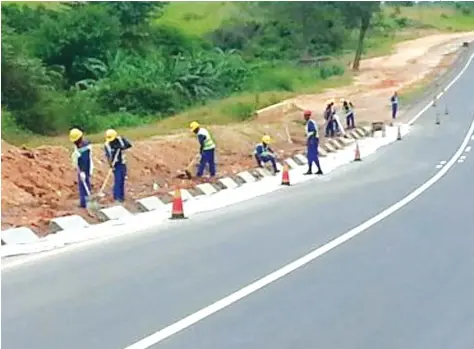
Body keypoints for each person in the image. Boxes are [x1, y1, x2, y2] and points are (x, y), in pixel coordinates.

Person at [104, 129, 132, 203]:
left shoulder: (120, 140)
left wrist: (122, 146)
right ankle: (116, 197)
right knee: (118, 180)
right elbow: (108, 156)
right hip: (115, 164)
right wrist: (111, 165)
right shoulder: (107, 145)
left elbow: (129, 145)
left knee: (122, 179)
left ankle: (121, 197)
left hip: (122, 162)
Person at [69, 128, 93, 208]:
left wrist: (82, 171)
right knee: (84, 183)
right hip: (82, 167)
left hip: (84, 168)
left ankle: (86, 203)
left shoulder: (84, 148)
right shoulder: (80, 145)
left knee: (84, 183)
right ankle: (85, 202)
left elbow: (84, 160)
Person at [303, 110, 323, 175]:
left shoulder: (310, 123)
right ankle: (311, 169)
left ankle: (317, 169)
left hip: (313, 140)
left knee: (313, 155)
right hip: (312, 139)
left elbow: (313, 131)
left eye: (306, 115)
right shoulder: (309, 122)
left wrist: (311, 140)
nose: (305, 117)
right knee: (310, 156)